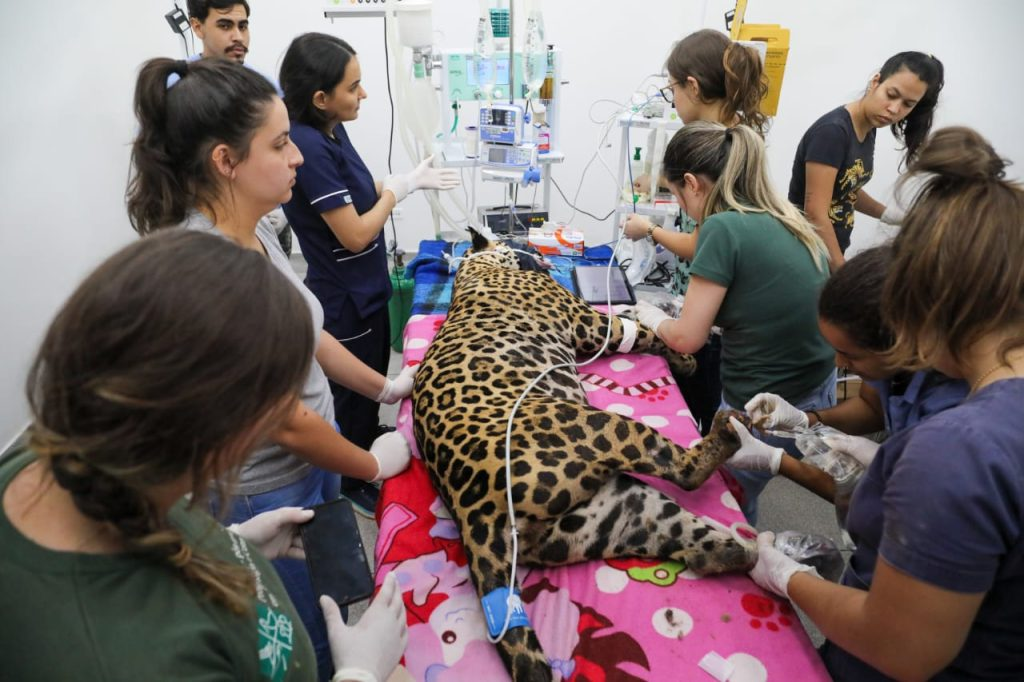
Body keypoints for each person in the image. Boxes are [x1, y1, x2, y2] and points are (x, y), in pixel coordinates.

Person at [0, 230, 407, 682]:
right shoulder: (125, 661)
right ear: (231, 429)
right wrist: (359, 673)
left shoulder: (63, 462)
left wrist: (227, 542)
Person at [126, 57, 415, 680]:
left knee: (334, 596)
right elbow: (282, 420)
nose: (299, 157)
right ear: (225, 161)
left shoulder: (253, 233)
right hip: (267, 490)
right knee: (303, 642)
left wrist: (386, 387)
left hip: (311, 465)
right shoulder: (209, 266)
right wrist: (370, 464)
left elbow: (309, 333)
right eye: (281, 144)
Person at [740, 127, 1024, 680]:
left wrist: (787, 576)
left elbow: (899, 646)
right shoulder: (982, 430)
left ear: (917, 302)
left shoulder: (959, 447)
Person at [278, 32, 458, 513]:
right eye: (353, 86)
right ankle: (353, 478)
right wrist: (397, 193)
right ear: (321, 97)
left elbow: (355, 190)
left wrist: (402, 181)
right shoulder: (308, 146)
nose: (364, 94)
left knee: (374, 374)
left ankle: (363, 435)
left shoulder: (332, 129)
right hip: (344, 295)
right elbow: (355, 234)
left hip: (367, 287)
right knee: (352, 392)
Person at [633, 122, 836, 524]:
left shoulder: (721, 227)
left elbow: (686, 339)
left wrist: (650, 316)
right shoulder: (785, 217)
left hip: (762, 404)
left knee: (720, 508)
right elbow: (766, 300)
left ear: (692, 184)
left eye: (677, 197)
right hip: (816, 393)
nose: (684, 210)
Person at [728, 245, 968, 502]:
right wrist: (805, 420)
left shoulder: (949, 421)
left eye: (851, 355)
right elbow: (871, 406)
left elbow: (876, 501)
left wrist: (776, 461)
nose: (838, 362)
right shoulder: (894, 367)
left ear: (900, 346)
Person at [622, 29, 768, 434]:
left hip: (714, 325)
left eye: (672, 91)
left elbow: (703, 245)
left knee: (698, 419)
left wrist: (649, 229)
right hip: (707, 311)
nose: (673, 101)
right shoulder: (734, 141)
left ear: (693, 86)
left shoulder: (723, 153)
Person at [789, 51, 944, 269]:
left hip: (828, 254)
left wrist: (890, 215)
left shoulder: (869, 127)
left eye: (908, 104)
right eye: (891, 95)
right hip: (806, 256)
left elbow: (844, 187)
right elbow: (815, 213)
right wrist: (841, 271)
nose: (894, 109)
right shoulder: (833, 133)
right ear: (875, 82)